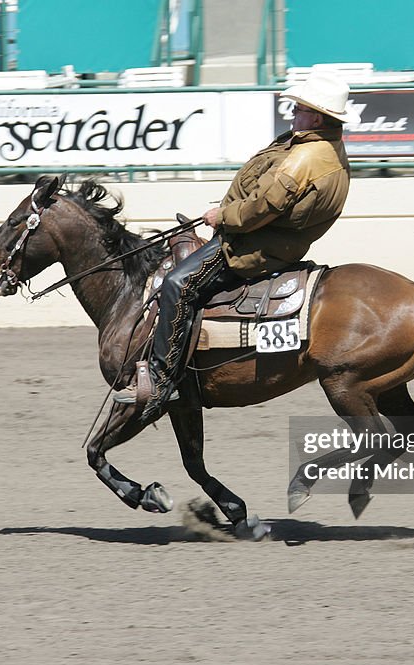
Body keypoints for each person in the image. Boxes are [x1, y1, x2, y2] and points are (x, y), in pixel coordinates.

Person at [114, 70, 354, 422]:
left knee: (178, 284)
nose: (293, 114)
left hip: (249, 246)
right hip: (266, 240)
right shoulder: (322, 150)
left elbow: (263, 206)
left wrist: (222, 216)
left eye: (299, 109)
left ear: (316, 116)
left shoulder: (307, 158)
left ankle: (163, 380)